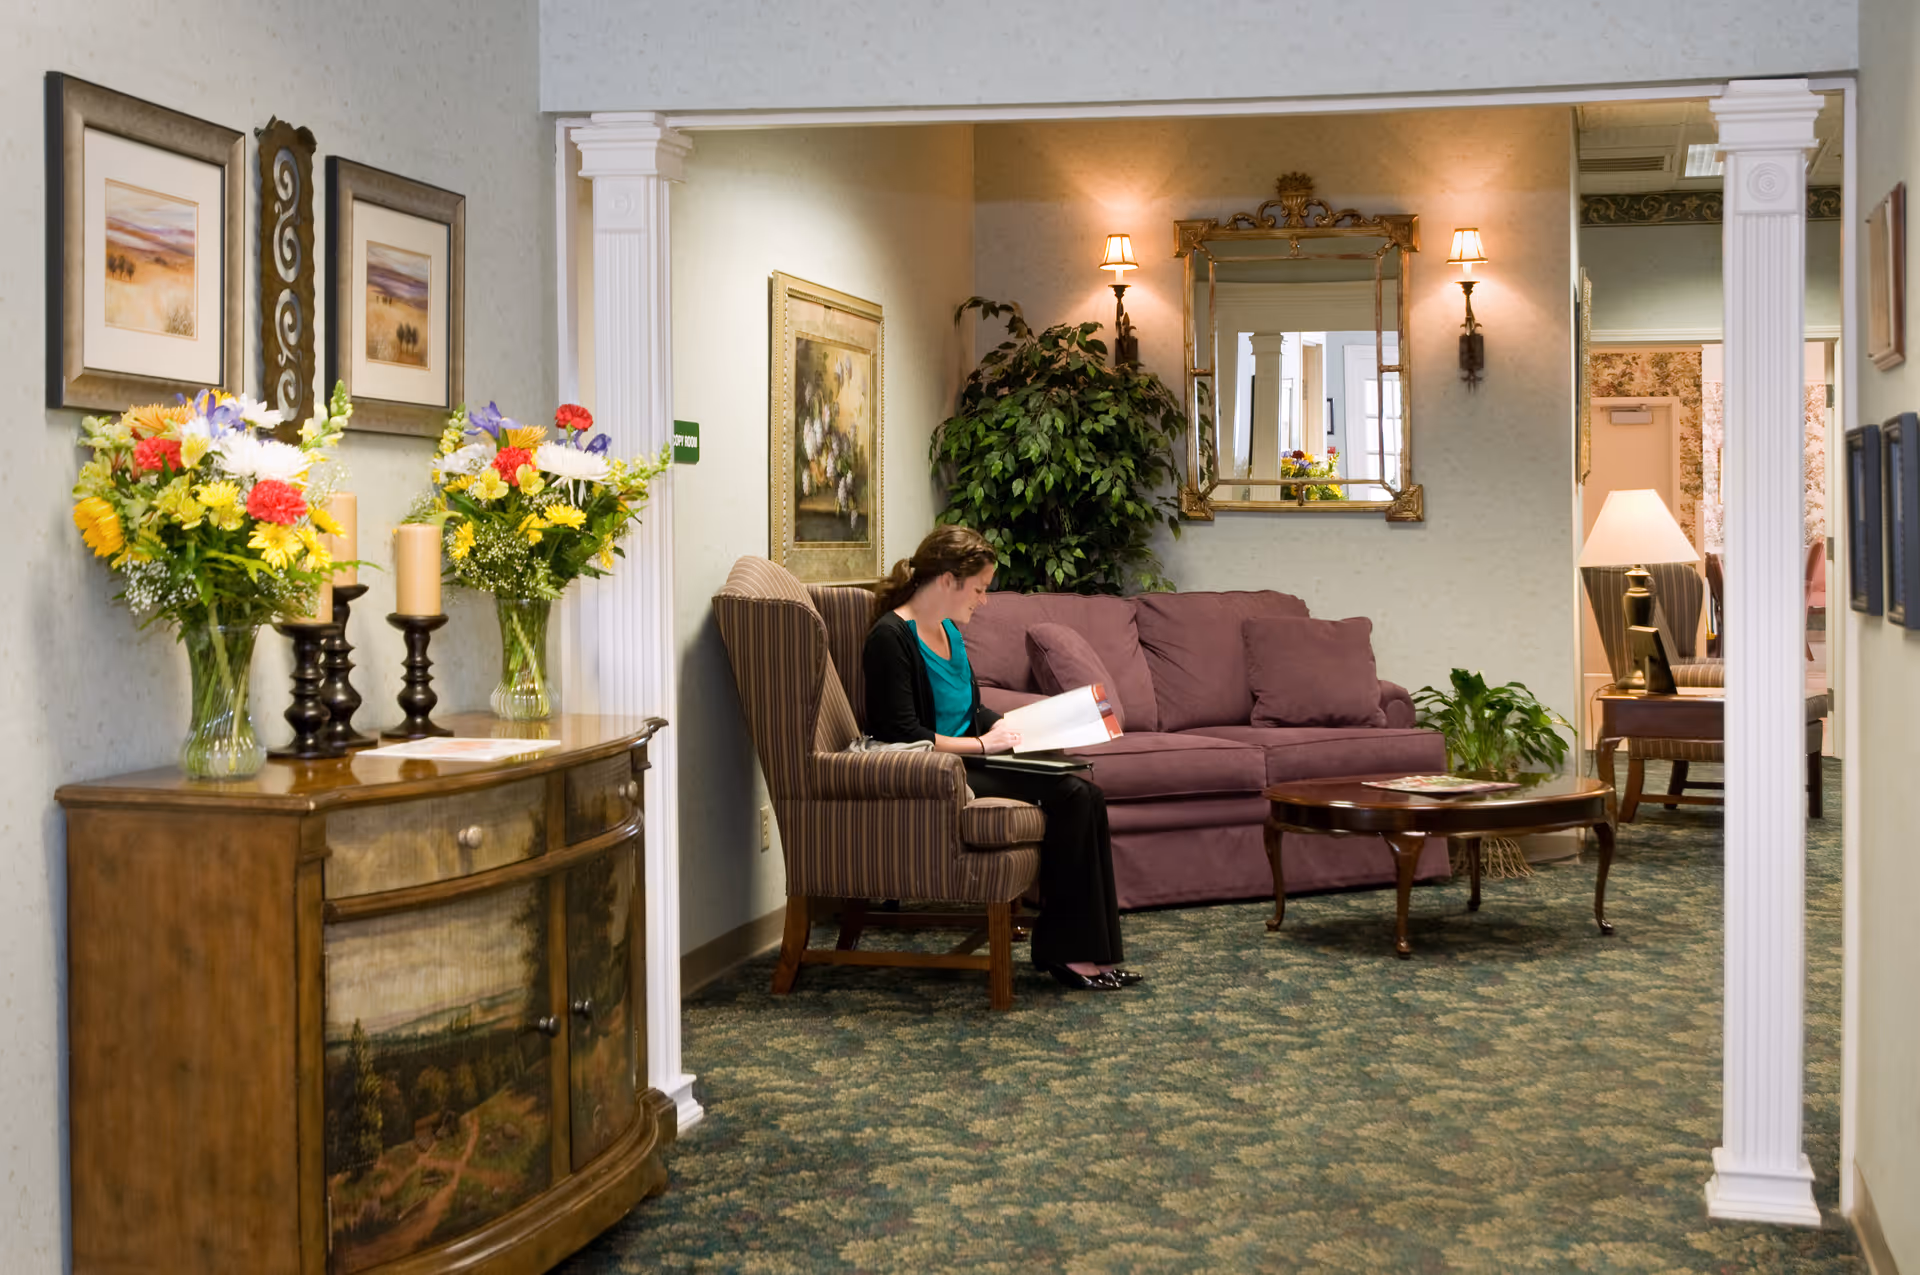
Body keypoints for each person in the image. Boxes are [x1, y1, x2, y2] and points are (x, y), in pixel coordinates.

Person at [862, 524, 1139, 991]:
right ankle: (1066, 954)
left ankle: (1093, 953)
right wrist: (983, 745)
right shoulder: (890, 638)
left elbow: (969, 710)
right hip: (942, 772)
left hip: (973, 757)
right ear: (948, 580)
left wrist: (1011, 727)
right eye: (979, 589)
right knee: (1072, 796)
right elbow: (901, 732)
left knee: (1085, 792)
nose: (984, 600)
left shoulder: (949, 630)